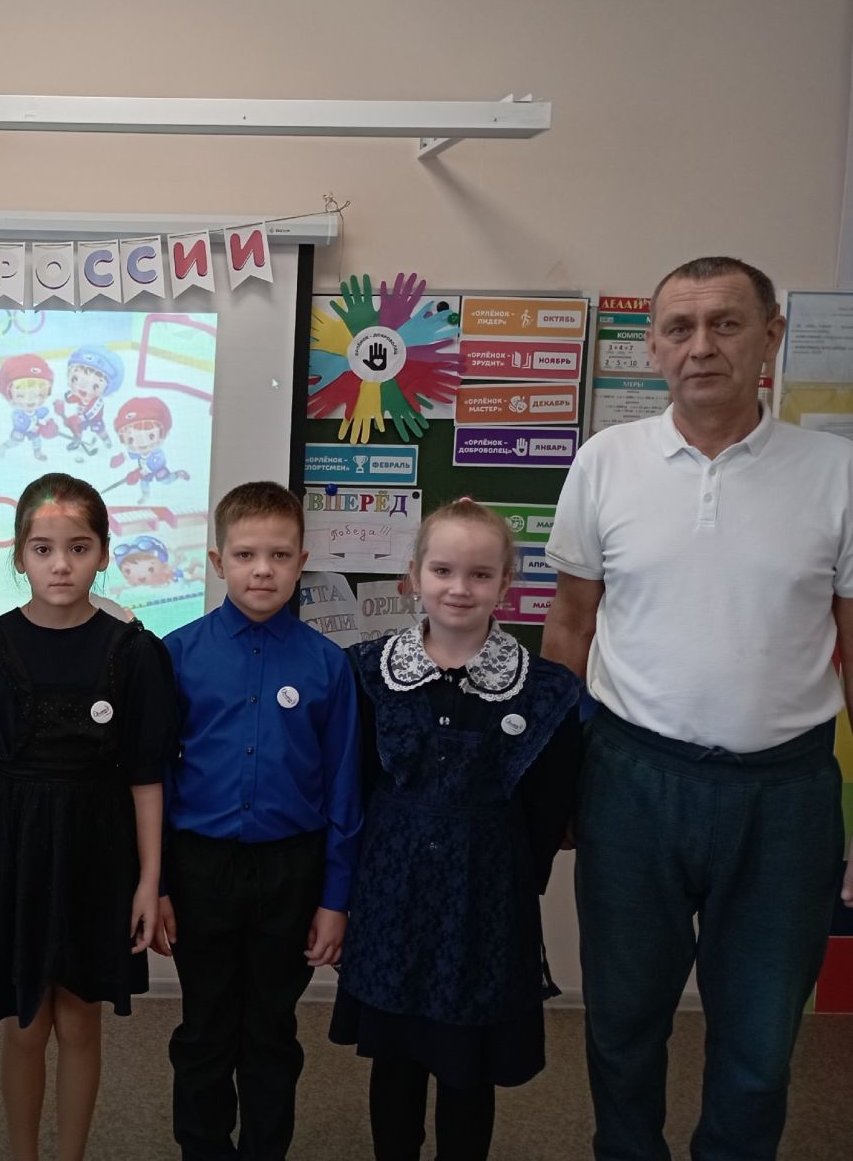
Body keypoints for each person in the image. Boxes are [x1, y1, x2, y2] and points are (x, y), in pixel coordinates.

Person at [544, 255, 853, 1160]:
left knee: (760, 1044)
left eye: (726, 323)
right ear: (654, 347)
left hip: (785, 794)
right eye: (679, 328)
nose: (702, 346)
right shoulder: (606, 463)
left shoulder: (836, 472)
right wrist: (556, 783)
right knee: (622, 1024)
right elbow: (570, 626)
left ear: (771, 337)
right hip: (632, 780)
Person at [330, 498, 581, 1161]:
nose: (459, 588)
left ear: (506, 584)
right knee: (396, 1060)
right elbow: (352, 787)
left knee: (468, 1064)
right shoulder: (365, 673)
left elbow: (546, 812)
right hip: (392, 899)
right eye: (442, 570)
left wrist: (503, 880)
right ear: (414, 575)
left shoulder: (546, 691)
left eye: (479, 574)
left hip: (484, 904)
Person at [0, 472, 178, 1161]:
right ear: (19, 555)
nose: (60, 565)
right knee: (24, 1024)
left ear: (103, 553)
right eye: (42, 549)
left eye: (78, 548)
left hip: (96, 849)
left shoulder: (134, 650)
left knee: (79, 1019)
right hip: (12, 846)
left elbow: (145, 777)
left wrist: (149, 880)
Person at [154, 479, 362, 1160]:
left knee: (271, 1030)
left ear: (303, 561)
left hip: (290, 870)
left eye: (279, 555)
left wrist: (335, 899)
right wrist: (157, 885)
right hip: (200, 867)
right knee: (205, 1027)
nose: (263, 570)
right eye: (245, 555)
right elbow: (155, 781)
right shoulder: (176, 655)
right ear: (218, 562)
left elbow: (343, 789)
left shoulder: (328, 665)